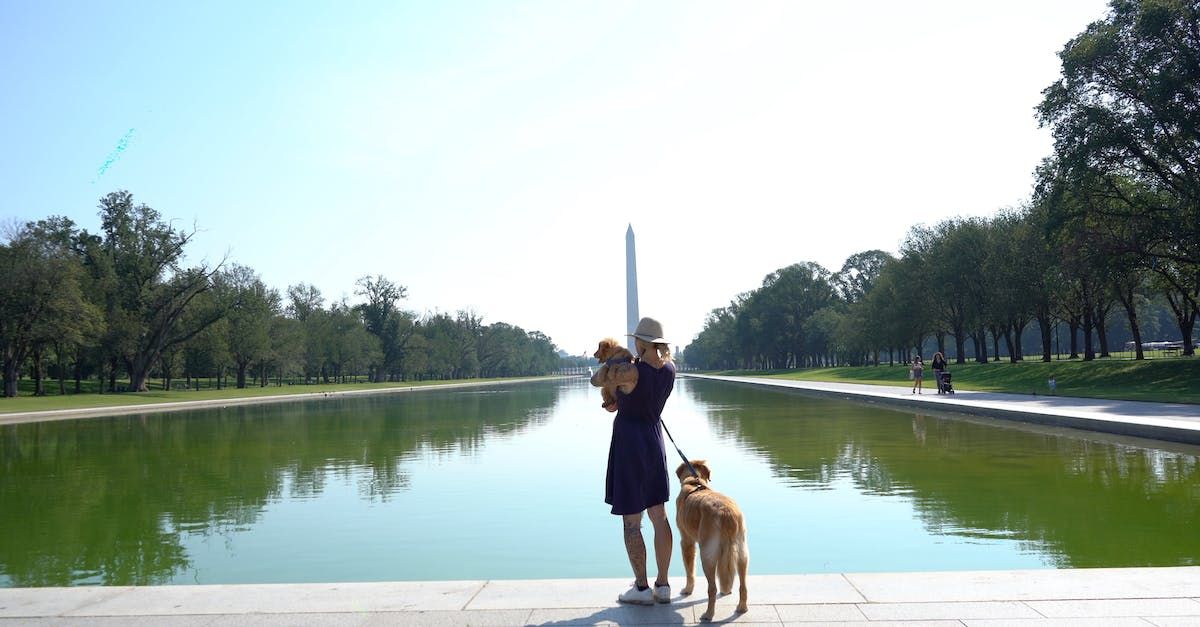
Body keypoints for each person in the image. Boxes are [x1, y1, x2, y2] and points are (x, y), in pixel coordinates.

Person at [590, 316, 677, 606]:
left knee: (631, 521)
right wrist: (621, 398)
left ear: (643, 342)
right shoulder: (669, 370)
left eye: (637, 340)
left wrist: (611, 371)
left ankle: (641, 589)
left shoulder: (631, 370)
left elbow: (596, 380)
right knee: (659, 515)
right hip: (653, 441)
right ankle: (663, 585)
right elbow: (638, 397)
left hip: (630, 444)